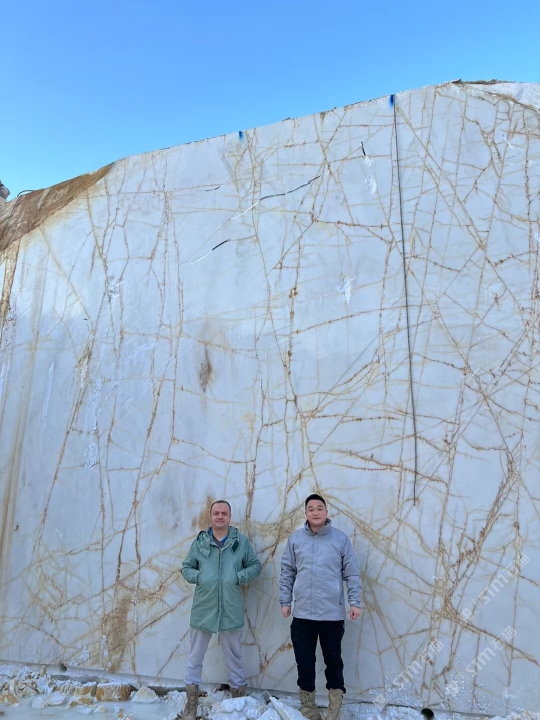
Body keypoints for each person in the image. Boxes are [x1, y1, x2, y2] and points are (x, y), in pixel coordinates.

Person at [279, 494, 362, 720]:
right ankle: (308, 709)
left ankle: (334, 709)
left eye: (319, 508)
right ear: (305, 513)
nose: (315, 512)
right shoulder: (295, 540)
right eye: (311, 508)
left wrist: (355, 602)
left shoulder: (340, 539)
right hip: (302, 615)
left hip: (331, 616)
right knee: (304, 663)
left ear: (326, 512)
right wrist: (285, 601)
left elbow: (352, 573)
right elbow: (287, 572)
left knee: (333, 662)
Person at [182, 500, 261, 719]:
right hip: (203, 607)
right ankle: (191, 704)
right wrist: (200, 577)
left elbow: (255, 565)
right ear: (210, 516)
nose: (219, 516)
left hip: (230, 607)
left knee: (234, 657)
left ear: (229, 517)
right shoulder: (200, 542)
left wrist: (239, 577)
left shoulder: (240, 542)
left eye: (223, 513)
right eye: (216, 513)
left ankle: (237, 702)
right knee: (195, 657)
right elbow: (186, 567)